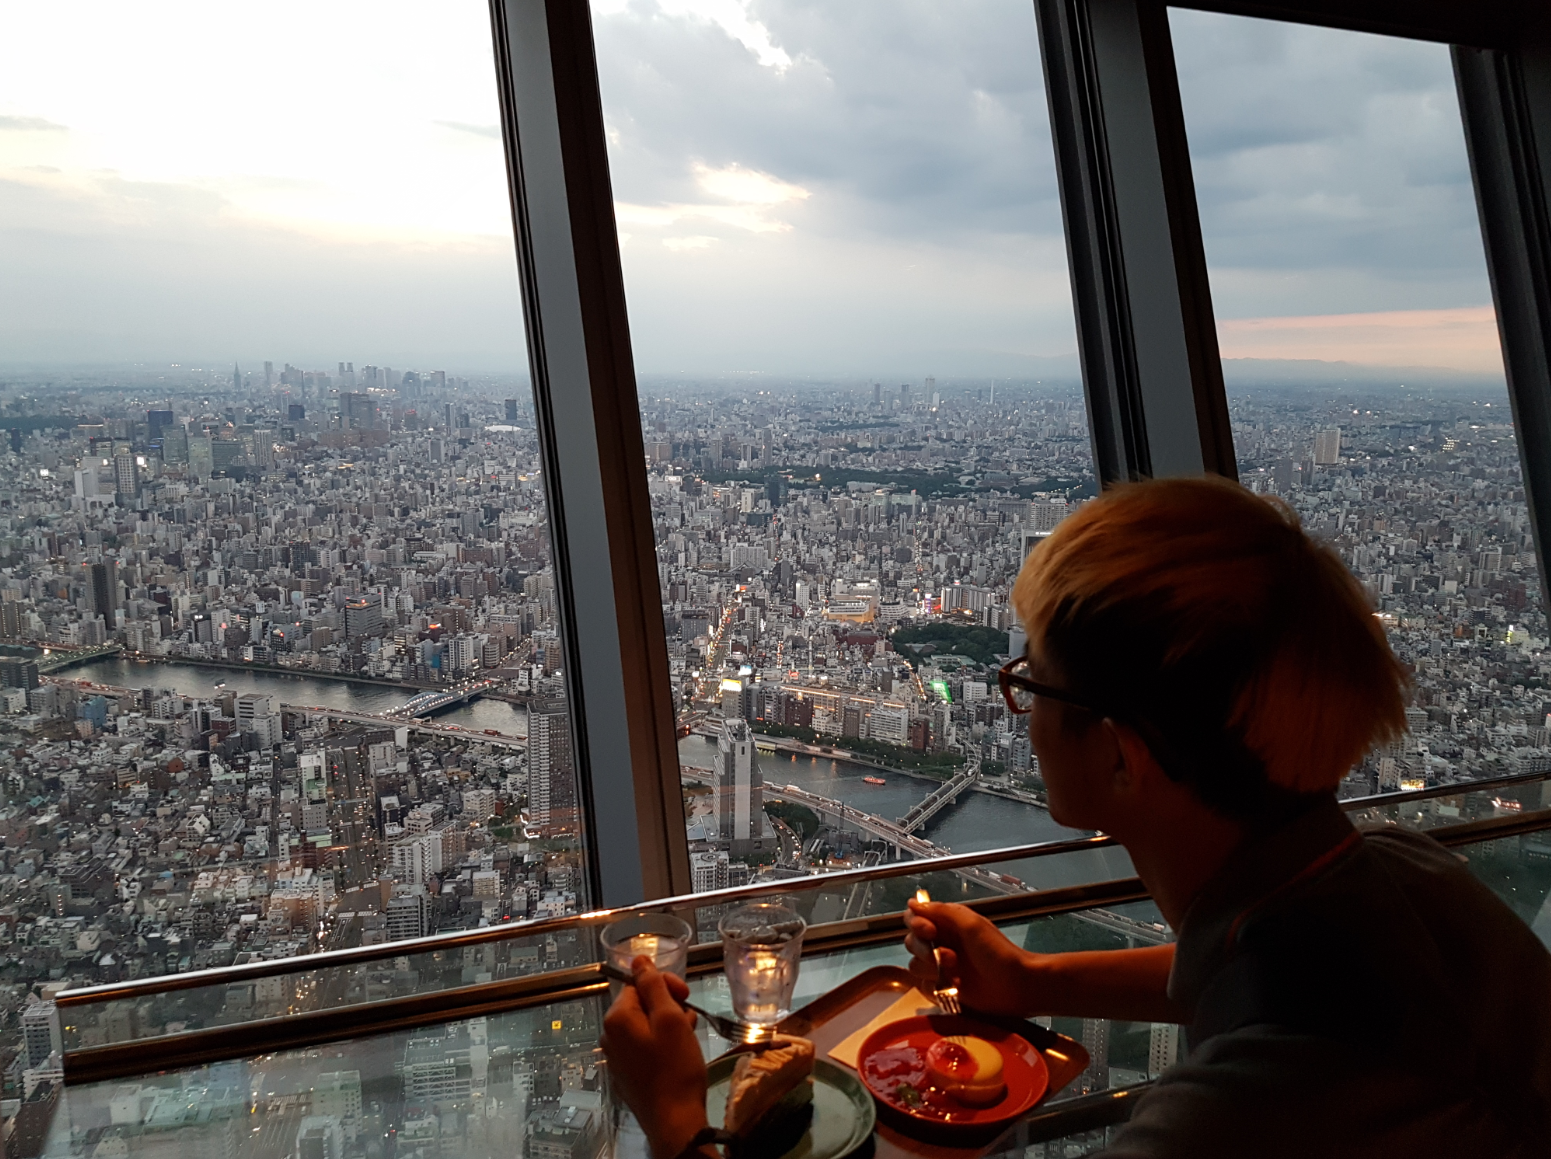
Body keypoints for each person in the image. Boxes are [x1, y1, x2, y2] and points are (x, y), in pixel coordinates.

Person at [602, 477, 1551, 1158]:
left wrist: (681, 1125)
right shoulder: (1402, 872)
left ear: (1119, 753)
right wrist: (1030, 976)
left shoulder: (1238, 1123)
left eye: (1030, 682)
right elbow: (1264, 975)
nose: (1017, 706)